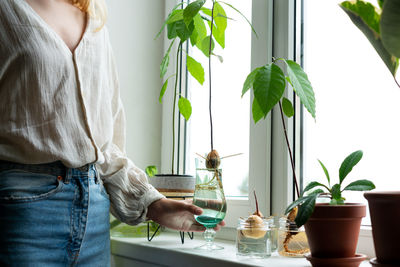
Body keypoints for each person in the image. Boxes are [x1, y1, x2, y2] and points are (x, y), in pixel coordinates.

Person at [0, 0, 224, 266]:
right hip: (20, 211)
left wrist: (154, 204)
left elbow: (105, 145)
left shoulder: (93, 14)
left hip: (94, 212)